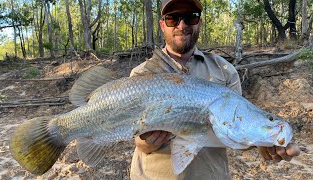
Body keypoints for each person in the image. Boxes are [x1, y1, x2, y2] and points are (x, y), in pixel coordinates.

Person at [129, 0, 301, 179]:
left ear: (200, 23)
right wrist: (146, 143)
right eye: (173, 18)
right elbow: (137, 140)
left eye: (190, 18)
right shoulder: (141, 75)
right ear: (162, 24)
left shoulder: (224, 70)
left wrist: (265, 141)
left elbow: (235, 128)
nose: (182, 25)